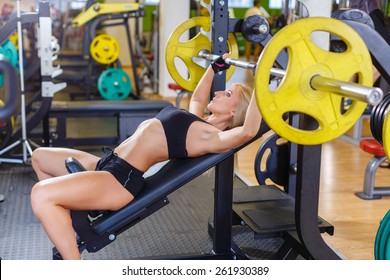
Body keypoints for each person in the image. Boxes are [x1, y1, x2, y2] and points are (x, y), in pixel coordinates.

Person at [30, 54, 265, 260]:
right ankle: (69, 226)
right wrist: (213, 68)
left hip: (118, 180)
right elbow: (197, 99)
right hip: (107, 163)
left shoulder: (210, 138)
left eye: (227, 93)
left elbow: (248, 131)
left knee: (41, 195)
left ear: (234, 112)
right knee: (40, 157)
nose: (218, 91)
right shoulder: (199, 122)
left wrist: (261, 78)